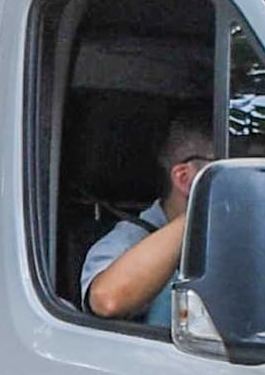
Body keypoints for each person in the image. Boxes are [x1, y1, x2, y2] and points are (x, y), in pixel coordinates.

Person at [82, 115, 214, 319]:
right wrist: (201, 211)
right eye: (221, 171)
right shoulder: (130, 238)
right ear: (184, 178)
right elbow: (106, 300)